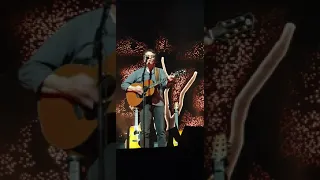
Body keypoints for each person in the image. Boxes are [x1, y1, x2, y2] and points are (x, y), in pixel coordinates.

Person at [18, 1, 116, 180]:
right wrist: (70, 86)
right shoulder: (89, 25)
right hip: (101, 145)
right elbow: (29, 71)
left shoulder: (153, 31)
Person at [121, 50, 175, 148]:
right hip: (144, 103)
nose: (149, 58)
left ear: (155, 60)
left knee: (161, 131)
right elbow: (124, 84)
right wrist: (135, 88)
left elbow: (165, 85)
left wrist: (170, 82)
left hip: (158, 103)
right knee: (145, 131)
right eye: (147, 57)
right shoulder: (138, 73)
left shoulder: (160, 72)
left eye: (151, 57)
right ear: (144, 59)